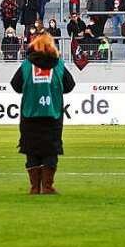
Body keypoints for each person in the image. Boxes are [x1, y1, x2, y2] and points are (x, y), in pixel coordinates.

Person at [11, 32, 75, 194]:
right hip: (52, 114)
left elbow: (15, 85)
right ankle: (47, 186)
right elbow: (69, 85)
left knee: (31, 150)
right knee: (50, 150)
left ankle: (34, 187)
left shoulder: (26, 65)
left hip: (30, 114)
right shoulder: (58, 65)